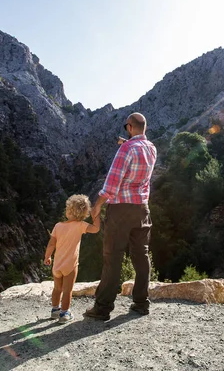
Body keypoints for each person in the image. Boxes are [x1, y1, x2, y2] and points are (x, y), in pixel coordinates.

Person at [84, 112, 157, 321]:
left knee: (112, 257)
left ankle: (102, 308)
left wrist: (97, 205)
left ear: (130, 126)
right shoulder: (151, 148)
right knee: (141, 256)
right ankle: (141, 303)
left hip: (120, 210)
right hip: (142, 208)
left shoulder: (126, 149)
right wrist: (126, 142)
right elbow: (138, 152)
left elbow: (112, 183)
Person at [44, 194, 100, 323]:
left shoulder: (58, 226)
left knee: (57, 288)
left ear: (68, 209)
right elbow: (96, 229)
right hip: (70, 265)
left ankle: (54, 310)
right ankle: (64, 314)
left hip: (57, 264)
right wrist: (96, 216)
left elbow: (51, 244)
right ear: (84, 212)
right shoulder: (80, 225)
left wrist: (47, 257)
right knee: (67, 291)